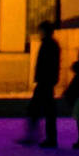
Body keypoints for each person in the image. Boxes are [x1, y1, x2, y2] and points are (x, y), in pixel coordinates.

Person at [24, 20, 60, 148]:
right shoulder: (49, 44)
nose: (39, 33)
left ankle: (41, 136)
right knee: (44, 109)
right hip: (46, 82)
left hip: (45, 82)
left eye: (40, 30)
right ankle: (42, 136)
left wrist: (44, 79)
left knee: (40, 109)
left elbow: (50, 65)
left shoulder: (49, 45)